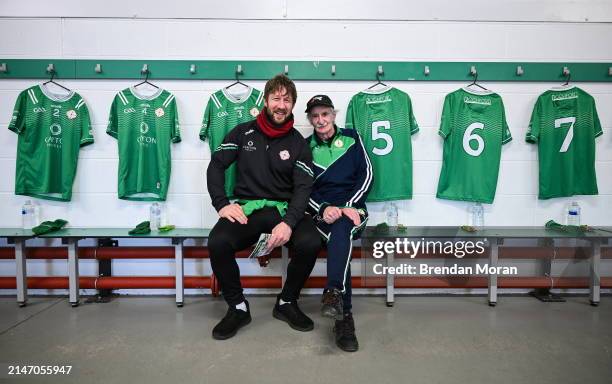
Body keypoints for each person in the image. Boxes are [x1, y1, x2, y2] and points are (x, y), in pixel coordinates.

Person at [206, 74, 321, 340]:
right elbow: (216, 165)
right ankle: (237, 307)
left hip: (282, 212)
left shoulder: (298, 144)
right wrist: (222, 204)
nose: (281, 105)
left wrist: (290, 222)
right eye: (276, 98)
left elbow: (304, 187)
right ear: (266, 101)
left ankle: (287, 302)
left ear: (293, 105)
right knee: (217, 242)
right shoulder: (242, 131)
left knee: (311, 242)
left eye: (287, 100)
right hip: (249, 210)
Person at [305, 95, 373, 352]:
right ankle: (344, 317)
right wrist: (323, 208)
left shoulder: (353, 138)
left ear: (333, 115)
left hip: (354, 210)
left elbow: (367, 175)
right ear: (310, 119)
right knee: (338, 237)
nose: (320, 120)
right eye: (315, 116)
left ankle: (335, 293)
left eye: (325, 114)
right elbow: (302, 189)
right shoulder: (304, 146)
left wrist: (349, 206)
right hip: (323, 214)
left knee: (342, 229)